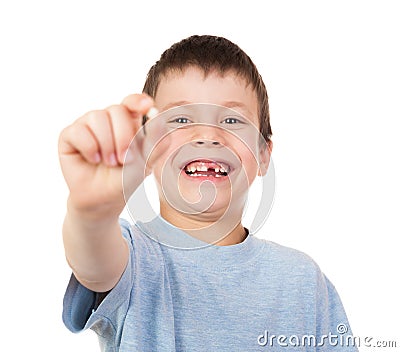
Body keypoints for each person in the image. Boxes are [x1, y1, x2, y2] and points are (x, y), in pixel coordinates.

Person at [59, 35, 358, 351]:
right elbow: (93, 260)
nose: (207, 136)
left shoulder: (304, 281)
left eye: (232, 120)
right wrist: (91, 212)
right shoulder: (131, 258)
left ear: (263, 155)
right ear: (147, 146)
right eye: (181, 119)